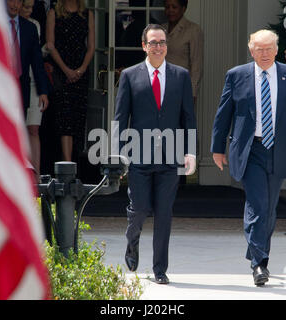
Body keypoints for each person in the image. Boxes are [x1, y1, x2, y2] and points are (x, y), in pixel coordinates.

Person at [211, 29, 286, 286]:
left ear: (277, 50)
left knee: (268, 209)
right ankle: (260, 264)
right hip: (251, 149)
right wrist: (217, 147)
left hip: (280, 149)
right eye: (260, 49)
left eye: (269, 48)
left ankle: (255, 251)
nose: (265, 53)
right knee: (258, 204)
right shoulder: (237, 76)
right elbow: (224, 113)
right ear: (251, 50)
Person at [114, 24, 197, 285]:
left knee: (164, 213)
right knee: (139, 210)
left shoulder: (181, 75)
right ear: (144, 46)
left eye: (162, 42)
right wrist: (119, 155)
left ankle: (160, 268)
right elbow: (120, 118)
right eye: (153, 42)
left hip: (170, 158)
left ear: (166, 46)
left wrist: (190, 152)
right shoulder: (129, 75)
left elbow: (188, 117)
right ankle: (132, 241)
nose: (158, 47)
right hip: (138, 156)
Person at [46, 0, 95, 161]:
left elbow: (91, 47)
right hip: (61, 70)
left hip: (81, 69)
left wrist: (81, 69)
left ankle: (77, 160)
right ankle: (67, 163)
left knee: (78, 116)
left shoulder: (87, 14)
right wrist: (66, 70)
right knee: (64, 117)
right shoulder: (54, 12)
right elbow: (50, 45)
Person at [6, 0, 49, 119]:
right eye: (11, 1)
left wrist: (43, 91)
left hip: (21, 89)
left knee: (19, 132)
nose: (15, 5)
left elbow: (37, 62)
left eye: (18, 2)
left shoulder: (30, 28)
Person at [19, 0, 46, 178]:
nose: (28, 10)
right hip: (13, 83)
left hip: (32, 82)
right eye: (25, 7)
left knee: (33, 128)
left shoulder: (32, 26)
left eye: (30, 7)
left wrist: (43, 89)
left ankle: (35, 175)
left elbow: (37, 61)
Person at [163, 0, 203, 104]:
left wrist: (193, 93)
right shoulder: (160, 29)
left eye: (174, 7)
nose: (170, 10)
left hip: (181, 87)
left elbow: (196, 64)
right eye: (167, 7)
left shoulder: (193, 30)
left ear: (183, 9)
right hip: (160, 86)